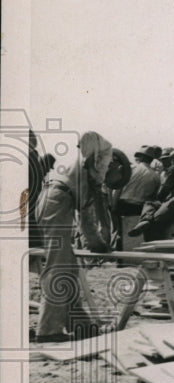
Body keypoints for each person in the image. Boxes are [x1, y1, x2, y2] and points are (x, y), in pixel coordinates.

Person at [34, 132, 115, 342]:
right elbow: (87, 221)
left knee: (67, 266)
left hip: (51, 199)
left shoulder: (78, 166)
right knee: (58, 265)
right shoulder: (87, 171)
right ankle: (48, 330)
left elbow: (86, 218)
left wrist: (97, 243)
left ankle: (81, 326)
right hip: (56, 201)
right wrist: (100, 246)